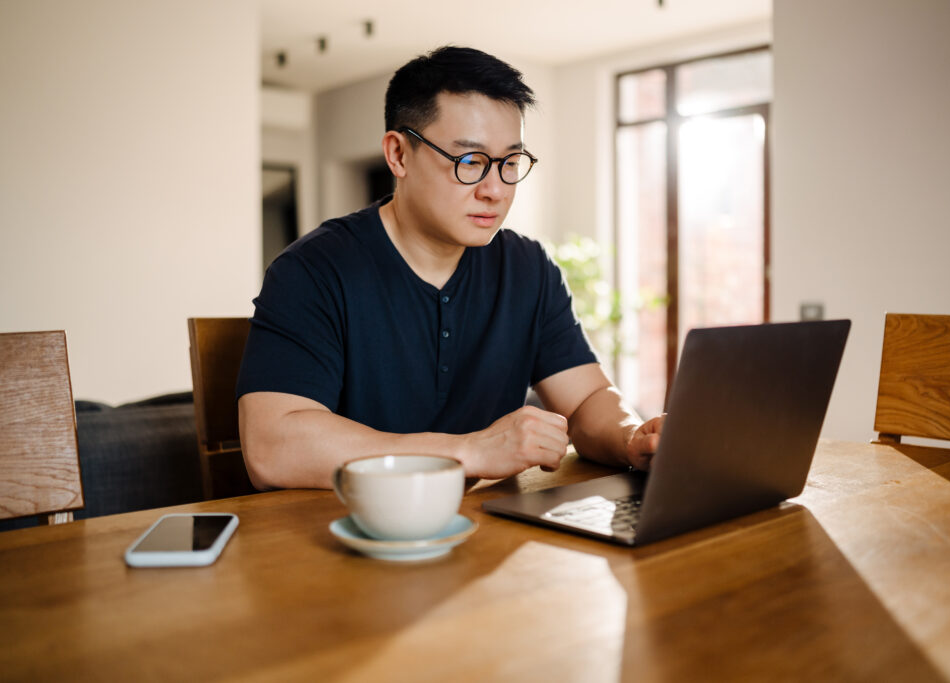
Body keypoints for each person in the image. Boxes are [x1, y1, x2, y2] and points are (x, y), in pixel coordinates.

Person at [237, 46, 664, 490]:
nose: (495, 190)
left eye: (510, 163)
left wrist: (631, 437)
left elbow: (587, 400)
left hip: (488, 531)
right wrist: (469, 450)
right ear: (399, 155)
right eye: (470, 162)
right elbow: (273, 446)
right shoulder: (313, 271)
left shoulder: (527, 268)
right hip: (349, 535)